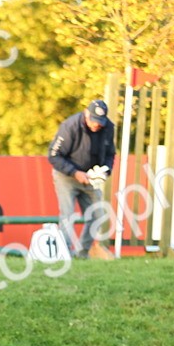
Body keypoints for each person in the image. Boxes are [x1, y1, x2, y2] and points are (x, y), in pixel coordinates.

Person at [48, 99, 117, 260]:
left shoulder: (108, 127)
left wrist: (105, 171)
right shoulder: (69, 126)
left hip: (91, 178)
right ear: (86, 113)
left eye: (100, 122)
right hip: (67, 177)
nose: (96, 125)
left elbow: (110, 154)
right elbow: (53, 155)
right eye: (93, 120)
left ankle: (82, 253)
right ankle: (64, 254)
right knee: (67, 215)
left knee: (98, 215)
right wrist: (74, 172)